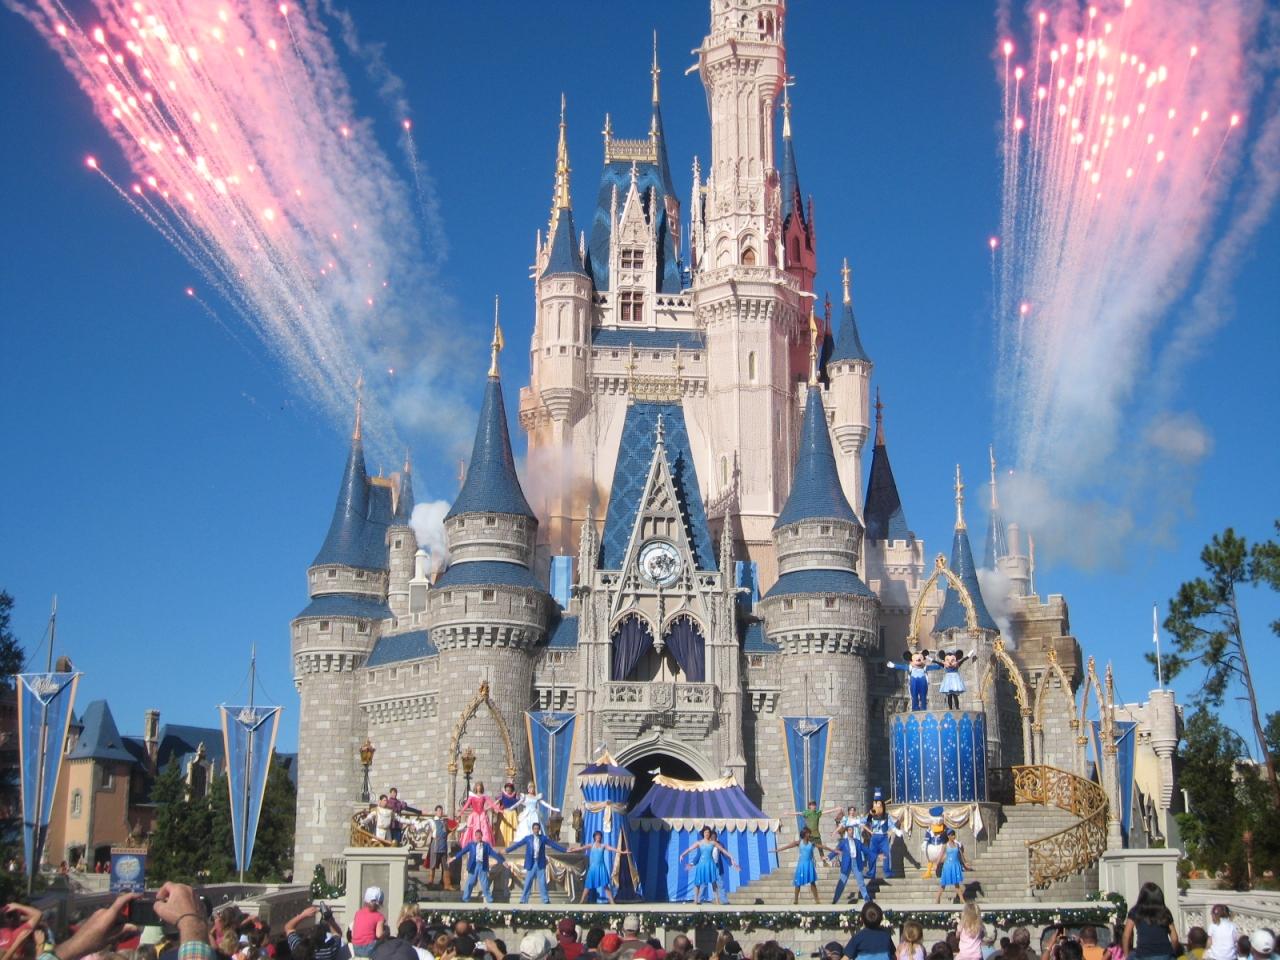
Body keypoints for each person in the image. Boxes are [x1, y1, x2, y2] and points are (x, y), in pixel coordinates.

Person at [505, 822, 568, 904]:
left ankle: (545, 900)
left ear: (539, 830)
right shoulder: (528, 838)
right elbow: (518, 845)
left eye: (537, 829)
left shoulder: (543, 838)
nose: (536, 830)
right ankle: (523, 900)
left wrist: (565, 850)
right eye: (535, 829)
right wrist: (507, 850)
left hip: (540, 862)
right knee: (528, 882)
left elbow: (553, 845)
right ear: (532, 829)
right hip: (531, 863)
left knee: (542, 882)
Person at [679, 827, 740, 905]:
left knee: (714, 883)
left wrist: (731, 857)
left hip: (711, 864)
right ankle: (696, 900)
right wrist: (682, 855)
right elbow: (690, 849)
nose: (707, 834)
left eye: (708, 832)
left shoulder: (713, 843)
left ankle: (718, 901)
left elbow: (723, 850)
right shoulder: (699, 843)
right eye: (705, 832)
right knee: (698, 883)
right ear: (703, 833)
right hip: (701, 865)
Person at [1122, 882, 1179, 960]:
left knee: (1132, 955)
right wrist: (1172, 953)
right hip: (1165, 954)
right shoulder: (1165, 912)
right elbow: (1174, 938)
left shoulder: (1135, 911)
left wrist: (1126, 955)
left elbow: (1126, 936)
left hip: (1143, 954)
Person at [776, 827, 828, 904]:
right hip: (801, 865)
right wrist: (777, 850)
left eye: (809, 833)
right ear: (805, 834)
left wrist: (834, 850)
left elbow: (822, 846)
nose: (809, 834)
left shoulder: (811, 843)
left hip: (809, 864)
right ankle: (796, 900)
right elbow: (788, 846)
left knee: (812, 882)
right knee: (798, 882)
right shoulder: (799, 842)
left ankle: (817, 900)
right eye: (808, 833)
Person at [451, 836, 506, 904]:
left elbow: (493, 854)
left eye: (479, 836)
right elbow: (462, 851)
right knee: (470, 882)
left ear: (481, 836)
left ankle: (489, 899)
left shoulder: (486, 845)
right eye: (477, 836)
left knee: (484, 883)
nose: (478, 837)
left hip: (482, 865)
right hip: (474, 865)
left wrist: (502, 861)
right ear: (475, 836)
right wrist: (454, 858)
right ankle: (465, 898)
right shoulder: (471, 845)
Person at [863, 790, 903, 881]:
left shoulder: (886, 816)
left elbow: (891, 825)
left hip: (884, 837)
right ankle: (871, 873)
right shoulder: (871, 815)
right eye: (875, 804)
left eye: (879, 804)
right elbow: (864, 821)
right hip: (874, 837)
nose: (876, 806)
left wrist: (897, 831)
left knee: (886, 854)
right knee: (872, 855)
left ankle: (887, 872)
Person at [284, 906, 350, 960]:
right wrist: (329, 918)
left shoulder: (297, 947)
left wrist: (303, 914)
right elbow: (337, 934)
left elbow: (288, 928)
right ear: (323, 940)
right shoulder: (328, 951)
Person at [826, 825, 870, 905]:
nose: (851, 832)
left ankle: (867, 900)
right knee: (842, 882)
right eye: (850, 830)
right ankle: (835, 900)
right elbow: (836, 850)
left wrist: (876, 854)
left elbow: (866, 850)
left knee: (861, 882)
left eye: (852, 830)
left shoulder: (857, 842)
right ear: (847, 832)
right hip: (847, 863)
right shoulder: (843, 842)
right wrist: (829, 857)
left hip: (856, 862)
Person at [574, 831, 620, 904]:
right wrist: (572, 849)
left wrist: (622, 851)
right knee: (588, 886)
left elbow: (612, 849)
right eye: (597, 836)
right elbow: (582, 848)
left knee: (605, 885)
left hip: (601, 868)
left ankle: (612, 902)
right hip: (593, 868)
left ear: (601, 837)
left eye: (599, 836)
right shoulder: (591, 845)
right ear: (594, 837)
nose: (598, 837)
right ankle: (581, 901)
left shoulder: (603, 845)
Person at [458, 782, 499, 846]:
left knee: (485, 829)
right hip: (474, 815)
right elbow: (466, 805)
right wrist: (461, 812)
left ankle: (484, 844)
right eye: (477, 786)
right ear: (476, 787)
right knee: (472, 829)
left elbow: (491, 803)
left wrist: (499, 809)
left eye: (480, 786)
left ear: (481, 787)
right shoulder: (472, 796)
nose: (479, 788)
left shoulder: (484, 796)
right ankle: (473, 844)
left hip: (482, 815)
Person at [350, 888, 387, 958]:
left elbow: (352, 933)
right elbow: (379, 935)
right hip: (369, 947)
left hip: (355, 946)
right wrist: (385, 933)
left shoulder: (358, 913)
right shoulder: (379, 916)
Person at [935, 831, 970, 904]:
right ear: (948, 836)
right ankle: (937, 898)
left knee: (956, 883)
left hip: (955, 865)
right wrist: (936, 864)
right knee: (943, 883)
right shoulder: (945, 845)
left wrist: (965, 863)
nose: (954, 836)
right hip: (948, 866)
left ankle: (961, 899)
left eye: (954, 835)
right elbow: (940, 855)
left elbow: (961, 855)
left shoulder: (957, 845)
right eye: (952, 835)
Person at [425, 806, 454, 890]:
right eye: (438, 810)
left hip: (443, 846)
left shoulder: (445, 822)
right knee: (433, 865)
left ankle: (447, 885)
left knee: (445, 866)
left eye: (441, 810)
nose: (440, 812)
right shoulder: (432, 821)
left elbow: (451, 828)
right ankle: (430, 883)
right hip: (435, 845)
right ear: (435, 812)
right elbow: (424, 827)